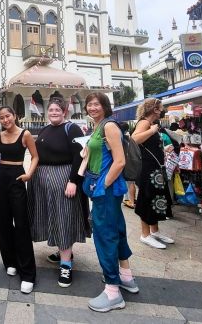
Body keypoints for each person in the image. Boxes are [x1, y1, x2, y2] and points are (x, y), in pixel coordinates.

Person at [83, 92, 138, 312]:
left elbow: (120, 161)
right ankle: (126, 277)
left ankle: (112, 291)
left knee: (105, 236)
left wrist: (102, 185)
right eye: (89, 104)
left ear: (105, 106)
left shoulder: (109, 127)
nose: (92, 108)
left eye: (96, 104)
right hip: (107, 188)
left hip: (106, 189)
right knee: (117, 230)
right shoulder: (98, 127)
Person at [27, 96, 90, 289]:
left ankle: (66, 265)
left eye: (57, 110)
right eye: (51, 110)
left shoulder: (72, 129)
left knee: (63, 218)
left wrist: (73, 181)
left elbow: (80, 157)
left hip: (64, 178)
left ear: (64, 112)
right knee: (51, 216)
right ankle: (63, 251)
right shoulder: (45, 129)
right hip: (43, 179)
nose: (54, 112)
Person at [0, 106, 38, 294]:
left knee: (21, 224)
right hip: (1, 178)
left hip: (18, 178)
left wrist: (29, 174)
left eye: (8, 116)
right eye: (2, 117)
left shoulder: (25, 134)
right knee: (3, 222)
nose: (5, 120)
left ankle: (27, 273)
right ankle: (10, 261)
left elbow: (35, 156)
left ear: (15, 116)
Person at [131, 98, 174, 249]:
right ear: (155, 109)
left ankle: (154, 232)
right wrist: (152, 131)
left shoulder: (151, 123)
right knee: (147, 199)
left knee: (156, 198)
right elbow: (134, 139)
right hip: (147, 169)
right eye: (161, 108)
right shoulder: (144, 123)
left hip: (155, 168)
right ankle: (145, 234)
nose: (163, 110)